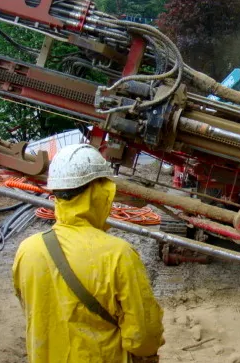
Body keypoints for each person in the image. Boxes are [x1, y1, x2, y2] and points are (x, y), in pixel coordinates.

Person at [12, 144, 164, 363]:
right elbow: (143, 336)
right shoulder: (118, 254)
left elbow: (30, 309)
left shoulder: (27, 249)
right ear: (99, 193)